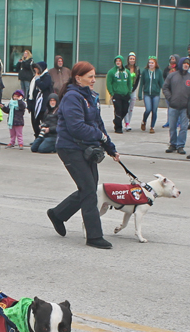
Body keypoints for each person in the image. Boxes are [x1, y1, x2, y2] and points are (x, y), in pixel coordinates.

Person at [47, 61, 120, 249]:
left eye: (95, 76)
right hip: (70, 148)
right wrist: (99, 136)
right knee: (89, 190)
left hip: (86, 149)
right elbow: (76, 127)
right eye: (91, 77)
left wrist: (110, 148)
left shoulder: (90, 97)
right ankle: (94, 236)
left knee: (89, 188)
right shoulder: (73, 97)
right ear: (78, 78)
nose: (94, 80)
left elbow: (98, 125)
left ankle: (58, 214)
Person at [162, 57, 190, 155]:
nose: (186, 65)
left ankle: (180, 146)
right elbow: (165, 87)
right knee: (172, 126)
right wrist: (169, 98)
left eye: (188, 64)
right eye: (184, 63)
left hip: (185, 108)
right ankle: (173, 144)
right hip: (173, 106)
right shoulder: (172, 76)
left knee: (183, 127)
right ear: (180, 64)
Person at [106, 55, 132, 134]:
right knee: (118, 110)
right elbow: (108, 83)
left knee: (125, 110)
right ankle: (118, 127)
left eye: (119, 61)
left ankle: (117, 120)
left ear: (122, 62)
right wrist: (112, 93)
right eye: (117, 61)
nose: (118, 62)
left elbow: (129, 83)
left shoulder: (127, 72)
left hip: (125, 94)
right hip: (116, 94)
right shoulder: (111, 72)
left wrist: (129, 92)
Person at [138, 56, 163, 134]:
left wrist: (166, 91)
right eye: (149, 63)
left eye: (152, 63)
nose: (151, 64)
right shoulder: (145, 71)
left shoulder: (159, 72)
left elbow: (162, 83)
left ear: (155, 64)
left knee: (154, 110)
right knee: (148, 109)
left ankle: (152, 127)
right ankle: (144, 121)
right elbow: (141, 83)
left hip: (156, 94)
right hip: (147, 94)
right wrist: (140, 94)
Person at [27, 61, 52, 138]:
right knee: (34, 122)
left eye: (37, 68)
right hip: (35, 104)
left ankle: (43, 137)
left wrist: (38, 79)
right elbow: (31, 92)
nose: (35, 70)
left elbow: (42, 86)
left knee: (43, 122)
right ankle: (36, 137)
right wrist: (29, 104)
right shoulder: (34, 78)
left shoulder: (47, 77)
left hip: (43, 104)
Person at [123, 52, 141, 131]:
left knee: (131, 108)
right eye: (130, 59)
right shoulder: (124, 68)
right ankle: (126, 123)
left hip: (133, 90)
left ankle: (128, 122)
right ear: (128, 59)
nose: (132, 60)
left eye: (133, 59)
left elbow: (137, 80)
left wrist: (133, 89)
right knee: (125, 106)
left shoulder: (137, 69)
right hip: (126, 90)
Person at [162, 54, 180, 128]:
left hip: (177, 91)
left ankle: (178, 122)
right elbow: (164, 76)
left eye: (174, 59)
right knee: (169, 107)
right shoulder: (167, 69)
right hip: (169, 91)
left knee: (178, 108)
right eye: (171, 59)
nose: (172, 60)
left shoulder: (179, 69)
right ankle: (169, 122)